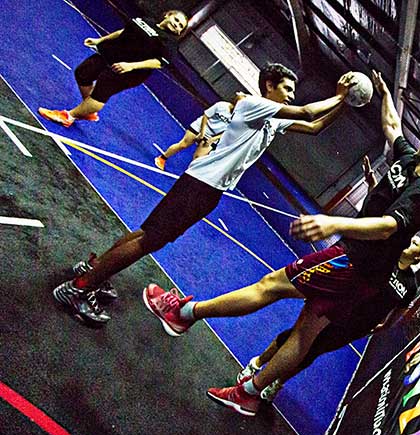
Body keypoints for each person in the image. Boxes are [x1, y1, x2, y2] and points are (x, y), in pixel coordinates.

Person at [141, 69, 420, 416]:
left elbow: (388, 227)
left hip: (356, 262)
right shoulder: (409, 159)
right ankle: (250, 393)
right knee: (305, 332)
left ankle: (184, 314)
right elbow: (391, 126)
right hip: (361, 270)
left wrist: (333, 221)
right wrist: (387, 93)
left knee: (271, 286)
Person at [53, 64, 354, 325]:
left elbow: (314, 126)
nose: (291, 95)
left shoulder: (273, 120)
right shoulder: (253, 105)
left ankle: (93, 270)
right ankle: (79, 288)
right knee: (149, 241)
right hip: (202, 184)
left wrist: (346, 102)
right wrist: (339, 94)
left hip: (206, 186)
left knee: (145, 234)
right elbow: (306, 111)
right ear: (269, 86)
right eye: (286, 89)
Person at [228, 235, 420, 403]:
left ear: (418, 257)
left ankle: (277, 383)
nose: (410, 241)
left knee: (312, 352)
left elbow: (398, 311)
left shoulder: (410, 286)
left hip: (354, 327)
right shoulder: (383, 262)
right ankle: (256, 364)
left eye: (415, 243)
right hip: (338, 308)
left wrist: (383, 326)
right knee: (293, 337)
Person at [38, 11, 189, 128]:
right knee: (83, 73)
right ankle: (88, 110)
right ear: (168, 15)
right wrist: (100, 40)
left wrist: (130, 66)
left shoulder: (169, 43)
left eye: (181, 26)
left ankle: (68, 116)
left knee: (101, 92)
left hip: (128, 71)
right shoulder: (146, 20)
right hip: (110, 54)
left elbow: (158, 63)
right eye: (176, 20)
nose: (177, 25)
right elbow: (123, 32)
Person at [154, 94, 245, 170]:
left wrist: (213, 139)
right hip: (199, 128)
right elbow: (206, 117)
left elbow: (228, 131)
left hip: (212, 136)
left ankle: (188, 177)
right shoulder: (221, 105)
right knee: (183, 145)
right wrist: (201, 133)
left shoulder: (238, 117)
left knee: (198, 160)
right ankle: (162, 158)